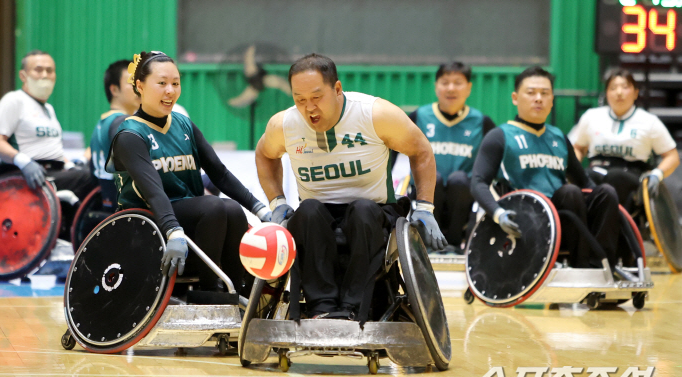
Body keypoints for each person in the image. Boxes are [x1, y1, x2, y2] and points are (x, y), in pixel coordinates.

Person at [255, 53, 447, 322]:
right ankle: (321, 307)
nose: (309, 107)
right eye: (300, 100)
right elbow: (265, 154)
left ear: (336, 89)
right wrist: (277, 202)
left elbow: (421, 150)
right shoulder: (284, 124)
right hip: (318, 213)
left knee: (363, 210)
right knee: (307, 210)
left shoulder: (375, 114)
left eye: (316, 97)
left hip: (375, 211)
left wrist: (425, 207)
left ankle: (356, 307)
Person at [106, 51, 271, 294]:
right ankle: (207, 290)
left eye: (175, 83)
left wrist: (261, 209)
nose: (170, 90)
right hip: (148, 220)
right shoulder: (130, 135)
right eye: (161, 83)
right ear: (140, 86)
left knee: (233, 209)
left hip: (191, 214)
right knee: (213, 207)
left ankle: (238, 290)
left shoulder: (183, 123)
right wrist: (173, 230)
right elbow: (153, 192)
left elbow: (220, 173)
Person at [470, 66, 622, 271]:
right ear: (515, 98)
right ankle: (581, 267)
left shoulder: (559, 137)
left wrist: (607, 205)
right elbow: (478, 182)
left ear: (552, 100)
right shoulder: (500, 136)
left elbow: (585, 183)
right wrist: (497, 213)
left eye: (545, 93)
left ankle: (604, 267)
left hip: (566, 213)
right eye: (531, 93)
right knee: (570, 192)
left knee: (607, 192)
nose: (538, 99)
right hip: (527, 218)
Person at [408, 62, 496, 251]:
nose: (451, 88)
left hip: (463, 197)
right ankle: (429, 241)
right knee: (434, 178)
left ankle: (454, 243)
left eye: (458, 82)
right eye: (445, 82)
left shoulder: (482, 122)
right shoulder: (418, 116)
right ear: (436, 85)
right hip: (426, 196)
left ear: (469, 88)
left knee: (459, 179)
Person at [0, 50, 96, 200]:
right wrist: (24, 162)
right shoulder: (14, 100)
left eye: (49, 71)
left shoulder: (48, 110)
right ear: (23, 76)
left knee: (95, 172)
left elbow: (49, 150)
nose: (45, 75)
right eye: (38, 70)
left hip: (53, 173)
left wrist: (69, 165)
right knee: (90, 178)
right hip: (25, 176)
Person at [571, 68, 679, 212]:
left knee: (616, 178)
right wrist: (573, 169)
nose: (619, 92)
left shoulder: (649, 121)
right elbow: (578, 147)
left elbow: (672, 156)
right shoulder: (591, 117)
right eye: (613, 88)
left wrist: (657, 173)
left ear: (635, 93)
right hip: (597, 170)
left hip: (630, 175)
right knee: (585, 177)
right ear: (607, 94)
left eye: (625, 87)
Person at [89, 59, 141, 209]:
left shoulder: (101, 123)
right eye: (132, 82)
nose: (138, 88)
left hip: (108, 201)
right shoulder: (123, 123)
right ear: (114, 90)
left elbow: (93, 175)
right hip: (128, 208)